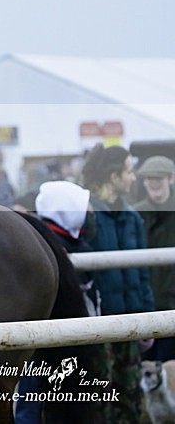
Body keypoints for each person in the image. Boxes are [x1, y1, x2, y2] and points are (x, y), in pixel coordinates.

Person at [14, 181, 99, 423]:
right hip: (41, 340)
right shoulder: (44, 244)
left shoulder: (78, 241)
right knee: (32, 397)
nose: (89, 213)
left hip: (68, 339)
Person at [81, 143, 154, 423]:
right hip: (98, 327)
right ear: (114, 177)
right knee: (99, 403)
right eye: (129, 171)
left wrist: (148, 317)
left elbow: (142, 271)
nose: (134, 178)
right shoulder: (86, 217)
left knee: (131, 402)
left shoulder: (133, 218)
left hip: (131, 323)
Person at [133, 155, 175, 362]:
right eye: (149, 179)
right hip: (146, 305)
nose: (154, 183)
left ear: (171, 179)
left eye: (159, 178)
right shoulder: (135, 214)